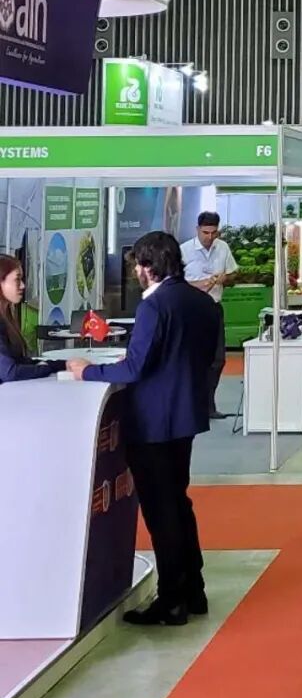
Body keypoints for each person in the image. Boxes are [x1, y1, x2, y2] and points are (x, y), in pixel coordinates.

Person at [68, 232, 219, 626]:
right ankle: (193, 589)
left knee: (161, 512)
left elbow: (136, 367)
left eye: (138, 263)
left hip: (153, 422)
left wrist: (88, 372)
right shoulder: (201, 302)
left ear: (148, 266)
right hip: (184, 417)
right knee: (178, 503)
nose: (135, 270)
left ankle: (171, 600)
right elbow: (208, 358)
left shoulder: (154, 306)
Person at [180, 211, 238, 419]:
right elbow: (176, 283)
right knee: (193, 358)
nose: (209, 237)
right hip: (191, 310)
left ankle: (208, 405)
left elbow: (234, 273)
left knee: (217, 359)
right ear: (197, 230)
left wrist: (224, 278)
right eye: (205, 233)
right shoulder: (184, 251)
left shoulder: (223, 248)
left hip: (214, 307)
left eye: (214, 233)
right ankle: (192, 406)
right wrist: (201, 284)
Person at [0, 255, 65, 382]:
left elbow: (19, 362)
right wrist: (47, 369)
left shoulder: (6, 318)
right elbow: (10, 373)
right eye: (17, 280)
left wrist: (62, 365)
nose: (23, 285)